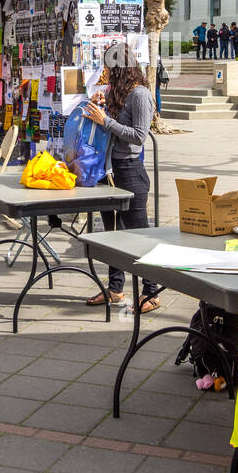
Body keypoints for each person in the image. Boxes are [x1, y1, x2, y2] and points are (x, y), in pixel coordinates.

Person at [83, 42, 161, 313]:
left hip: (129, 171)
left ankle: (152, 291)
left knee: (139, 236)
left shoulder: (140, 94)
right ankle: (115, 289)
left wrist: (106, 121)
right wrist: (98, 108)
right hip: (109, 171)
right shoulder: (117, 92)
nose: (104, 71)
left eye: (107, 66)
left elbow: (139, 136)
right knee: (113, 234)